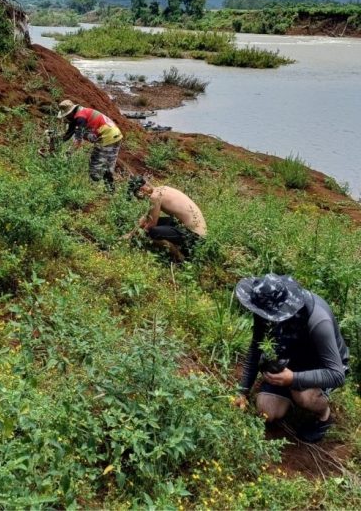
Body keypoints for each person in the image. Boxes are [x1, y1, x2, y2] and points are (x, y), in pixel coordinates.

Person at [232, 275, 349, 443]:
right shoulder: (265, 309)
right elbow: (255, 348)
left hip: (320, 365)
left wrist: (293, 378)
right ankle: (289, 392)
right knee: (266, 412)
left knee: (302, 395)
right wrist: (242, 391)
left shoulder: (318, 320)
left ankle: (324, 415)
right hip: (290, 358)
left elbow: (337, 375)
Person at [123, 176, 207, 260]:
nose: (138, 199)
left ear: (141, 190)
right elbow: (147, 217)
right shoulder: (162, 189)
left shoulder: (154, 197)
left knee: (153, 232)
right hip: (198, 233)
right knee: (158, 222)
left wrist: (137, 236)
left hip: (195, 237)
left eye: (137, 196)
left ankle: (180, 257)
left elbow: (151, 224)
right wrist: (131, 234)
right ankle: (179, 248)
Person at [56, 99, 123, 192]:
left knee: (94, 170)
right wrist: (56, 140)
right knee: (108, 166)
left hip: (106, 137)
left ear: (70, 113)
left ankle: (92, 191)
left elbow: (78, 141)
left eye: (66, 115)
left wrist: (69, 153)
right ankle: (110, 190)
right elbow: (68, 134)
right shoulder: (81, 112)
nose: (66, 118)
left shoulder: (80, 118)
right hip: (116, 134)